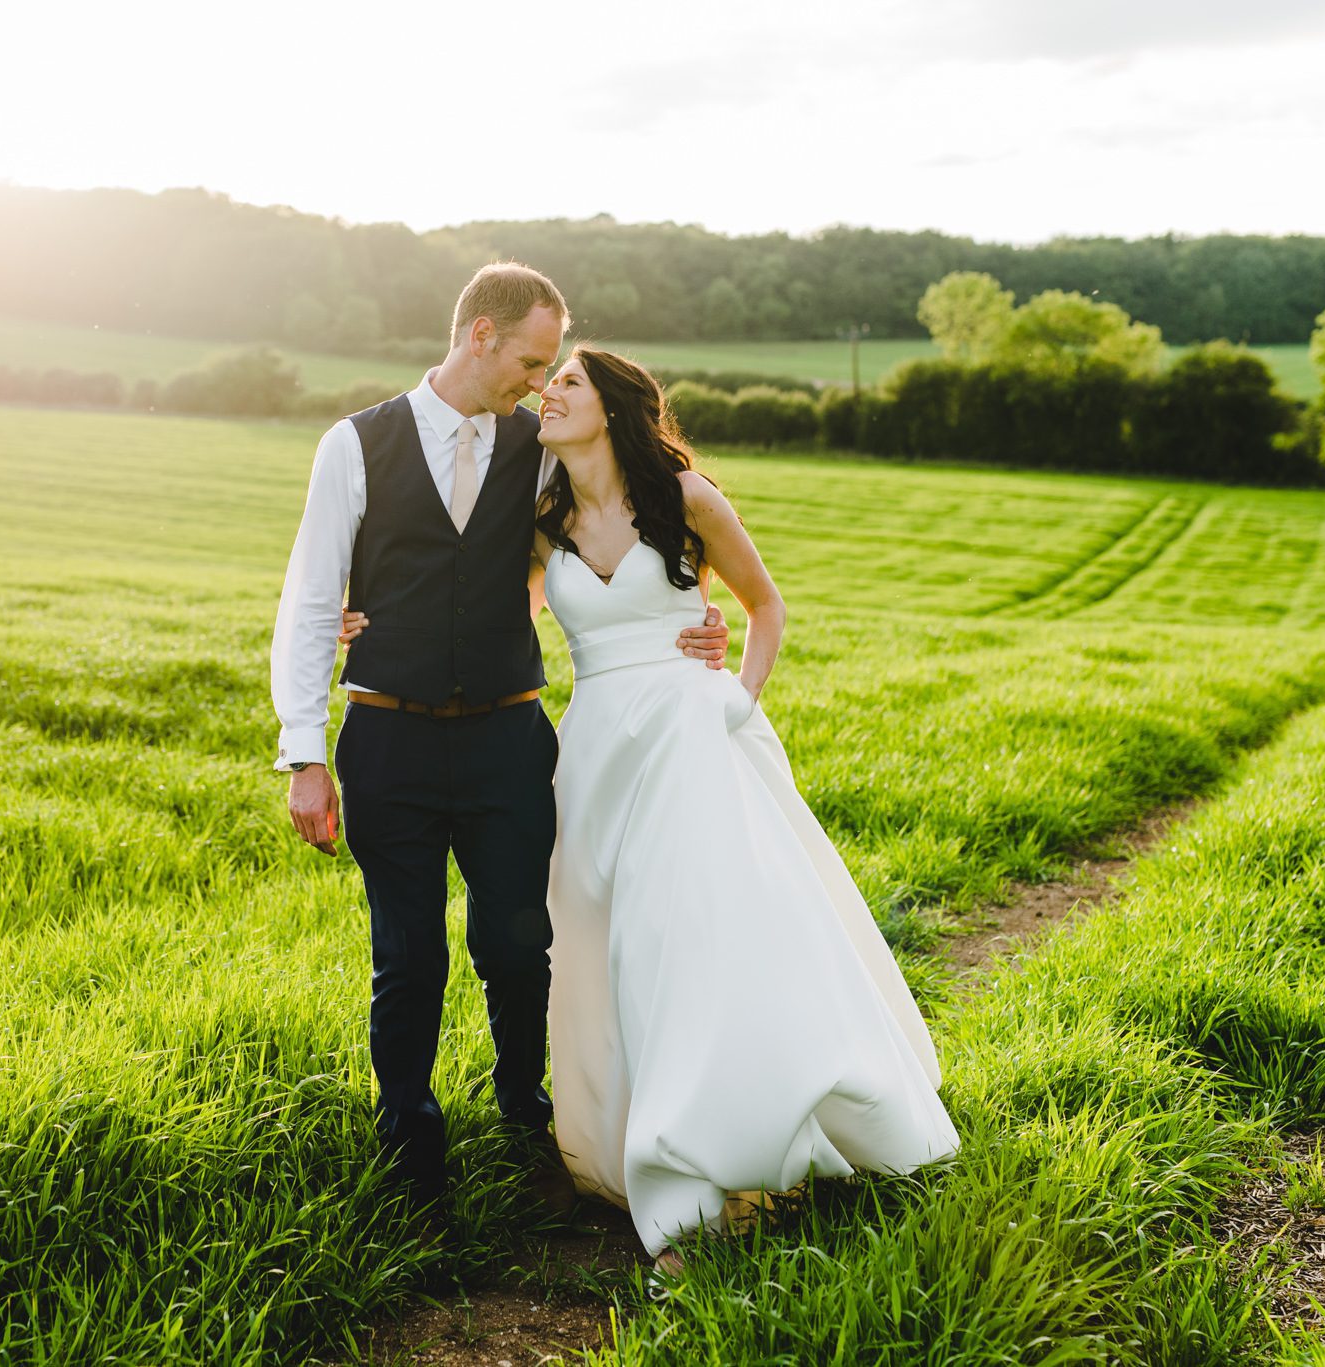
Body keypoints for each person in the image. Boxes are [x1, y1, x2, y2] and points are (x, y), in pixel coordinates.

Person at [341, 346, 959, 1272]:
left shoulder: (685, 497)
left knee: (683, 942)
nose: (548, 392)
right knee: (606, 951)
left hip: (684, 739)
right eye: (546, 380)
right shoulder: (541, 519)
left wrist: (735, 702)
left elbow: (764, 605)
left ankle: (700, 1175)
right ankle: (627, 1136)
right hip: (594, 754)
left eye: (570, 382)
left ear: (615, 406)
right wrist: (363, 615)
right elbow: (462, 595)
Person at [268, 264, 730, 1218]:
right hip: (387, 742)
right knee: (407, 954)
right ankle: (411, 1148)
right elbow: (312, 599)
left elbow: (635, 521)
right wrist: (304, 751)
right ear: (479, 334)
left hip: (510, 743)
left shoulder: (542, 448)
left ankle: (527, 1113)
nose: (540, 379)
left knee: (519, 947)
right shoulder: (354, 446)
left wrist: (698, 617)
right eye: (530, 358)